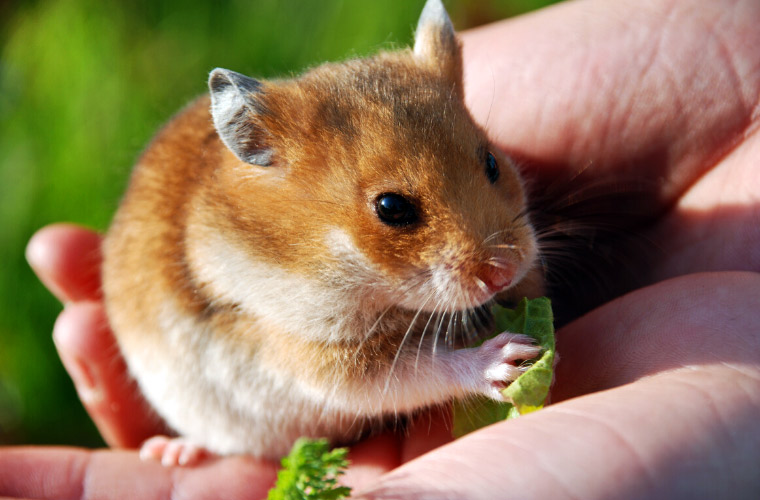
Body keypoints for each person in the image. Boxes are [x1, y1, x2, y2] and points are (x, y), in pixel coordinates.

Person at [4, 0, 760, 497]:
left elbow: (485, 229)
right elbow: (335, 371)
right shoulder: (278, 252)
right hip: (220, 374)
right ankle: (204, 446)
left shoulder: (436, 117)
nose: (494, 259)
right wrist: (462, 367)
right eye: (398, 211)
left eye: (490, 169)